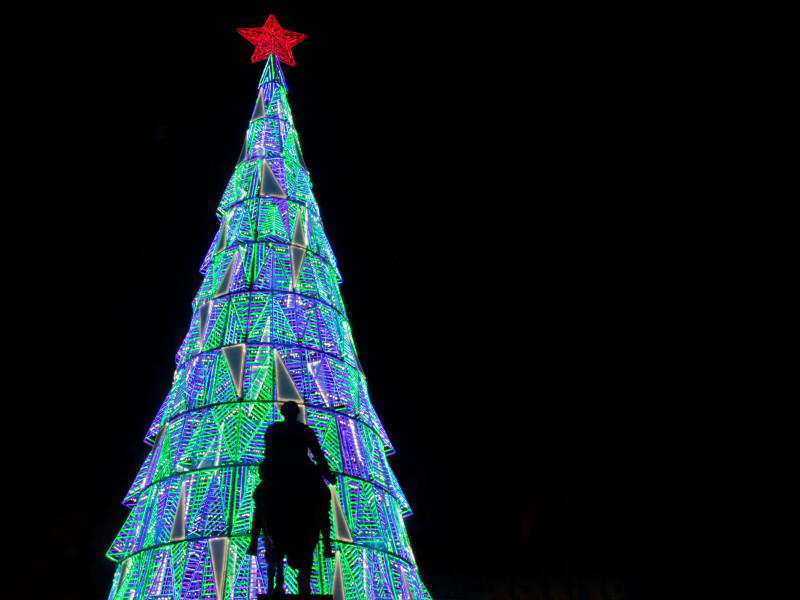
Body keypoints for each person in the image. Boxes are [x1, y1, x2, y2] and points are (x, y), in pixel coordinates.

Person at [247, 401, 336, 595]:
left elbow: (269, 453)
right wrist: (327, 474)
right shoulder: (302, 430)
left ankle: (254, 540)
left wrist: (268, 468)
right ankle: (326, 542)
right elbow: (318, 456)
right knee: (321, 496)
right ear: (292, 413)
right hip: (301, 468)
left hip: (281, 469)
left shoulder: (276, 429)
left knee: (262, 497)